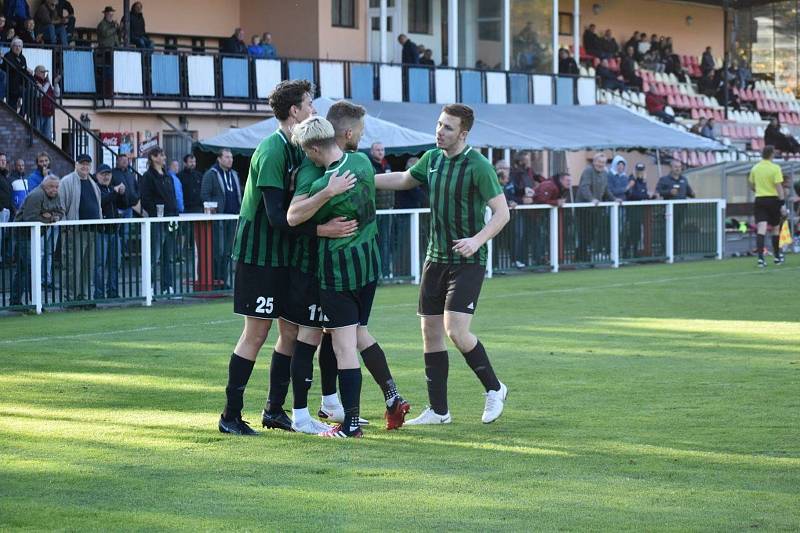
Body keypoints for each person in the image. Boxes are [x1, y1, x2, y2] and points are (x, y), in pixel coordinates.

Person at [374, 104, 511, 425]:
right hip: (435, 259)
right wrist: (366, 177)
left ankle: (495, 388)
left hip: (468, 261)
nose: (439, 131)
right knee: (430, 333)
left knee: (456, 331)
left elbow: (502, 213)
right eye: (438, 124)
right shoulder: (432, 159)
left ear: (463, 134)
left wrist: (477, 240)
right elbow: (406, 179)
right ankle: (438, 411)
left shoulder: (478, 166)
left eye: (447, 127)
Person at [287, 110, 411, 437]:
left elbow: (292, 216)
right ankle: (392, 396)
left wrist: (325, 193)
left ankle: (350, 425)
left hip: (339, 273)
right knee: (358, 334)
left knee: (343, 347)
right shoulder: (363, 163)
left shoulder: (323, 182)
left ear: (313, 150)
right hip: (369, 266)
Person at [217, 80, 316, 436]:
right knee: (256, 334)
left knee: (289, 331)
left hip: (285, 257)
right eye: (310, 104)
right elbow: (276, 217)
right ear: (295, 111)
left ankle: (274, 410)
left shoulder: (301, 149)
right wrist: (321, 229)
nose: (314, 110)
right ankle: (230, 416)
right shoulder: (272, 150)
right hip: (259, 257)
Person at [10, 175, 63, 305]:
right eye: (51, 186)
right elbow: (30, 218)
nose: (54, 189)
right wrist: (50, 218)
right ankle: (18, 301)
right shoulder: (36, 195)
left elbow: (61, 212)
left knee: (30, 268)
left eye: (56, 187)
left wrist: (50, 216)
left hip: (37, 235)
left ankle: (32, 301)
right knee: (26, 268)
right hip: (24, 235)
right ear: (44, 186)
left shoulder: (56, 195)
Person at [59, 154, 101, 302]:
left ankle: (84, 297)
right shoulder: (66, 181)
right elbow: (61, 207)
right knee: (72, 267)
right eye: (82, 163)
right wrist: (66, 228)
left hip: (91, 231)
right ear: (76, 164)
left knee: (87, 267)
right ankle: (70, 298)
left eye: (88, 164)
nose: (85, 167)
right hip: (74, 231)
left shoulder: (93, 182)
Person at [201, 148, 241, 287]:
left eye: (231, 157)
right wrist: (214, 209)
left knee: (229, 252)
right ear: (219, 158)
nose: (230, 159)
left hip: (233, 218)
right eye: (227, 157)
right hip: (218, 218)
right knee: (218, 251)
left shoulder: (234, 174)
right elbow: (205, 195)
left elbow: (238, 194)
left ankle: (223, 281)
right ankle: (215, 281)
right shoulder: (211, 174)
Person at [140, 147, 178, 294]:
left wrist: (175, 214)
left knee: (167, 255)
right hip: (156, 221)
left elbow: (173, 197)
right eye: (161, 155)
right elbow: (145, 199)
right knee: (153, 255)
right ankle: (149, 288)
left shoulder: (167, 176)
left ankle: (167, 287)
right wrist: (157, 212)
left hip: (170, 219)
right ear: (153, 157)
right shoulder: (148, 177)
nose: (164, 157)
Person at [748, 146, 786, 267]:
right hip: (773, 200)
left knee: (761, 228)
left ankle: (760, 259)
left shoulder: (755, 168)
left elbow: (751, 184)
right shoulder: (775, 168)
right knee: (775, 228)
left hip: (760, 199)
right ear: (772, 155)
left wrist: (758, 190)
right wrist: (782, 203)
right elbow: (778, 187)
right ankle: (776, 256)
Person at [577, 153, 618, 261]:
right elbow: (584, 187)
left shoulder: (604, 173)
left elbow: (606, 190)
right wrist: (591, 199)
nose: (601, 164)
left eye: (603, 162)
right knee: (584, 233)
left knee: (591, 234)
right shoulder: (588, 171)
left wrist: (614, 199)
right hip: (584, 208)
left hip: (596, 208)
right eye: (599, 162)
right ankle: (580, 256)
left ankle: (583, 255)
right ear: (594, 161)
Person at [93, 164, 126, 299]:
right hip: (101, 232)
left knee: (115, 264)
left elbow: (124, 204)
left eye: (108, 174)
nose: (106, 176)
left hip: (114, 232)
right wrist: (115, 192)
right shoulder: (95, 188)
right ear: (97, 176)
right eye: (103, 174)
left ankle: (113, 292)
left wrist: (123, 193)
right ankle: (99, 294)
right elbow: (101, 202)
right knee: (100, 265)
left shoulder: (113, 189)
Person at [369, 142, 394, 279]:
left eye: (382, 150)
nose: (380, 152)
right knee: (376, 243)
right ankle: (376, 273)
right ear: (372, 152)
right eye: (377, 150)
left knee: (386, 242)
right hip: (376, 212)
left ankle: (385, 273)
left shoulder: (387, 165)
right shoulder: (371, 167)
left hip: (388, 211)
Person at [32, 65, 60, 140]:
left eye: (45, 72)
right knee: (37, 136)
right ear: (37, 72)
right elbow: (40, 94)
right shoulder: (34, 80)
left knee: (48, 138)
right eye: (42, 72)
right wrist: (48, 83)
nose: (44, 74)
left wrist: (56, 83)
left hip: (48, 113)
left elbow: (57, 94)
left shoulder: (46, 82)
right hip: (39, 113)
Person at [4, 38, 30, 114]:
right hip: (10, 85)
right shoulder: (8, 55)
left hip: (20, 84)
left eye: (19, 46)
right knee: (12, 108)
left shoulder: (22, 58)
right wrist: (23, 68)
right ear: (12, 47)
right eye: (15, 46)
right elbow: (14, 67)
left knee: (29, 94)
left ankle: (21, 115)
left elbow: (24, 71)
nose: (18, 48)